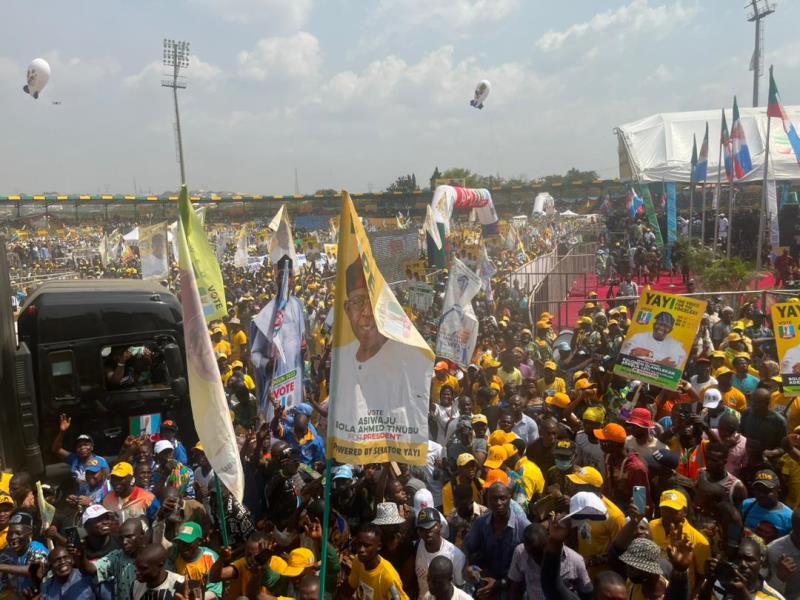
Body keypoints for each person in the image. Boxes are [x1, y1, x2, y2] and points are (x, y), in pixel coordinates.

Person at [331, 257, 432, 445]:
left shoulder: (406, 358)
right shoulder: (341, 358)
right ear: (346, 309)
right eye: (358, 302)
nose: (367, 312)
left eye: (372, 302)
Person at [251, 254, 307, 419]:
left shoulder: (297, 306)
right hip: (276, 384)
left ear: (293, 280)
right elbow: (254, 355)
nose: (285, 280)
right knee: (275, 430)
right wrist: (267, 364)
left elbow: (301, 344)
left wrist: (304, 349)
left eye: (288, 276)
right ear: (276, 279)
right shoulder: (266, 315)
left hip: (295, 382)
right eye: (281, 275)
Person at [464, 483, 530, 597]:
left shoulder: (524, 527)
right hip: (486, 580)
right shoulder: (480, 524)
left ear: (510, 498)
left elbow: (528, 567)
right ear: (488, 501)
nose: (499, 503)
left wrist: (499, 584)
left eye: (503, 498)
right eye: (494, 499)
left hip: (512, 585)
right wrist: (470, 568)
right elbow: (470, 550)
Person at [508, 522, 592, 600]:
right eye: (532, 554)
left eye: (541, 553)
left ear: (548, 542)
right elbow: (515, 587)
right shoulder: (520, 552)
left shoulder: (575, 560)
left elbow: (586, 592)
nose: (538, 559)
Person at [648, 489, 710, 590]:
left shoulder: (700, 541)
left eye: (673, 511)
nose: (667, 514)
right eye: (665, 509)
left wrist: (693, 596)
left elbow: (702, 575)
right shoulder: (650, 526)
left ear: (684, 511)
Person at [343, 523, 409, 600]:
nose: (361, 550)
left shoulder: (388, 577)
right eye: (359, 544)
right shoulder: (357, 561)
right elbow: (350, 587)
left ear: (379, 546)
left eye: (367, 546)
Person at [414, 508, 466, 597]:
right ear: (418, 532)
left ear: (440, 526)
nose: (427, 531)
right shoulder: (418, 545)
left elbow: (460, 588)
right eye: (423, 528)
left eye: (431, 526)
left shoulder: (456, 556)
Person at [0, 512, 49, 598]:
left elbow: (34, 570)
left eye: (18, 533)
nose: (13, 537)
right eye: (10, 533)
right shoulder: (7, 553)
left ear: (30, 534)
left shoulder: (37, 549)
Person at [741, 469, 794, 544]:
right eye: (758, 490)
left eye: (766, 490)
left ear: (778, 491)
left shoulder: (789, 518)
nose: (761, 494)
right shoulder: (746, 505)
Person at [620, 311, 686, 367]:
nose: (662, 328)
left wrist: (647, 354)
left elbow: (672, 363)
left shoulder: (676, 345)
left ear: (670, 330)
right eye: (660, 324)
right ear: (654, 325)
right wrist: (660, 362)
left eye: (666, 326)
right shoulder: (639, 337)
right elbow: (629, 354)